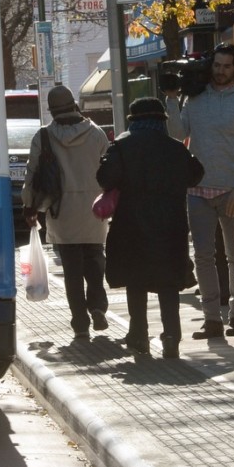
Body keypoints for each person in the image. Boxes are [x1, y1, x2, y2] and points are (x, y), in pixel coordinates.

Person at [96, 97, 205, 358]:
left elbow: (104, 179)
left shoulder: (121, 147)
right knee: (168, 284)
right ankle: (171, 338)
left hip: (131, 226)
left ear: (134, 121)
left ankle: (139, 337)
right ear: (161, 121)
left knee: (136, 282)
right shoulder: (176, 148)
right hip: (170, 227)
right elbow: (195, 174)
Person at [165, 43, 234, 340]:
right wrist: (172, 100)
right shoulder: (195, 98)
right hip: (198, 191)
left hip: (232, 191)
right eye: (217, 65)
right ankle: (212, 319)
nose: (220, 71)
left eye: (227, 66)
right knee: (203, 256)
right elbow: (178, 136)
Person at [22, 85, 110, 341]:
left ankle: (80, 322)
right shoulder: (96, 134)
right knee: (95, 261)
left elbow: (31, 174)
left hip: (61, 211)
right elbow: (109, 169)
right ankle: (97, 306)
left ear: (51, 111)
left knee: (72, 270)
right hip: (95, 209)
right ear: (74, 104)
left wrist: (30, 207)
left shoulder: (43, 137)